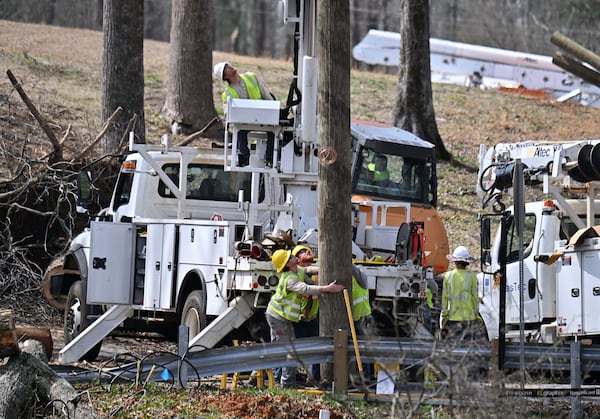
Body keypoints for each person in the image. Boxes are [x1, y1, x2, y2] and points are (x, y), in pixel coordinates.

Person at [266, 249, 344, 388]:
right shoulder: (290, 279)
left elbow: (307, 270)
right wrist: (327, 288)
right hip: (277, 317)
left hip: (280, 317)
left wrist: (325, 267)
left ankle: (280, 379)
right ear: (288, 263)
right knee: (290, 350)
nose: (293, 256)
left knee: (281, 348)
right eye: (290, 256)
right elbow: (305, 289)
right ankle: (287, 383)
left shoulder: (297, 271)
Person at [213, 61, 275, 167]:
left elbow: (266, 95)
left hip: (263, 116)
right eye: (227, 67)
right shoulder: (227, 94)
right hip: (246, 121)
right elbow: (230, 116)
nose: (230, 67)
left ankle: (270, 156)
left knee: (274, 129)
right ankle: (244, 156)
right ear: (225, 76)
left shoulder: (251, 77)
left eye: (228, 65)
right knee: (240, 130)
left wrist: (274, 110)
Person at [291, 245, 320, 385]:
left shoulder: (314, 275)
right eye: (304, 256)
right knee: (289, 349)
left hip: (311, 318)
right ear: (297, 260)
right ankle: (282, 377)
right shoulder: (297, 273)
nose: (308, 258)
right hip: (298, 318)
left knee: (316, 350)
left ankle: (314, 379)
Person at [440, 246, 479, 341]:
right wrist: (477, 315)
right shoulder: (472, 277)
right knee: (468, 348)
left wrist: (444, 316)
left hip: (453, 318)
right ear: (467, 262)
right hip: (469, 318)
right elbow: (475, 299)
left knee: (456, 349)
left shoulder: (448, 276)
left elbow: (444, 298)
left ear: (455, 261)